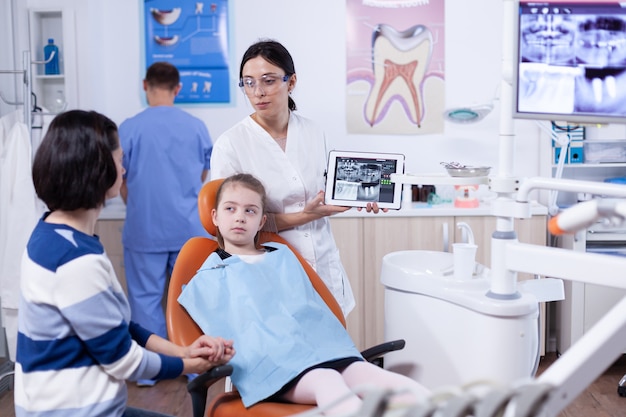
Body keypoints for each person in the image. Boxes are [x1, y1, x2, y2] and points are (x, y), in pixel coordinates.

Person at [14, 110, 235, 417]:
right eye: (120, 160)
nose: (125, 170)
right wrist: (189, 365)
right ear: (97, 170)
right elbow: (124, 359)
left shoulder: (51, 232)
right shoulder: (76, 261)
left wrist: (182, 350)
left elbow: (117, 326)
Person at [178, 174, 428, 416]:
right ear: (215, 217)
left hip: (324, 352)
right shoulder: (210, 274)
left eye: (250, 210)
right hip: (274, 368)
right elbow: (237, 333)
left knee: (373, 376)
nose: (240, 217)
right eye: (230, 209)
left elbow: (310, 311)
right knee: (327, 382)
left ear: (262, 221)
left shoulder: (282, 254)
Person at [210, 40, 384, 317]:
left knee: (335, 352)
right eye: (248, 83)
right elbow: (228, 225)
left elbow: (328, 194)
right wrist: (306, 215)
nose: (258, 92)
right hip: (270, 273)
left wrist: (360, 198)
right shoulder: (230, 144)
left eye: (268, 81)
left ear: (291, 82)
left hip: (325, 266)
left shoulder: (314, 132)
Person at [119, 61, 214, 386]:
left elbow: (120, 178)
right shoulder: (196, 126)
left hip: (143, 228)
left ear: (145, 86)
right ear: (178, 88)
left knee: (144, 301)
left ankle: (150, 374)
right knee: (189, 300)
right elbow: (203, 175)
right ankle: (193, 367)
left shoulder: (129, 128)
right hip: (188, 230)